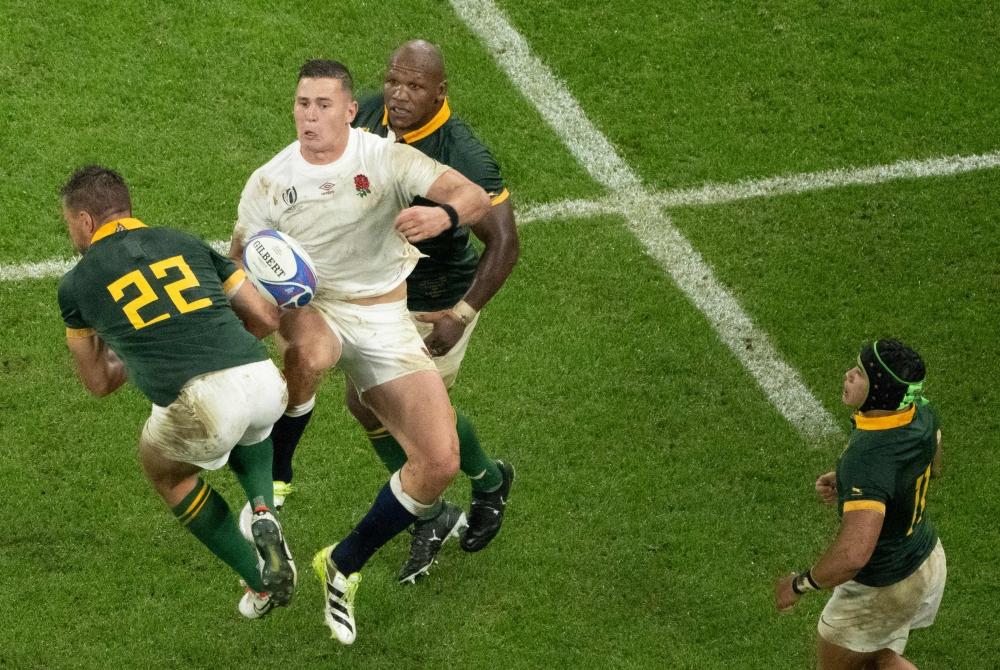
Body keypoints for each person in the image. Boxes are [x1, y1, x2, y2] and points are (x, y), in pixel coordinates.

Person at [229, 59, 491, 644]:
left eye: (323, 105)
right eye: (302, 104)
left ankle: (342, 565)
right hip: (314, 305)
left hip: (385, 318)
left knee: (439, 462)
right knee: (315, 352)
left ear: (351, 111)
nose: (310, 116)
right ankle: (280, 472)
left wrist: (443, 213)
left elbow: (471, 196)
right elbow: (242, 258)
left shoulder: (384, 158)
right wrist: (255, 307)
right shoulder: (269, 180)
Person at [57, 165, 296, 619]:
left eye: (70, 224)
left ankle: (258, 582)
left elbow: (99, 382)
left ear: (86, 221)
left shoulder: (76, 286)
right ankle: (264, 510)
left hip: (202, 406)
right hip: (263, 378)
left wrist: (138, 347)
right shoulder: (186, 241)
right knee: (251, 422)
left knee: (166, 472)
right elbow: (265, 318)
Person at [774, 340, 946, 670]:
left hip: (883, 587)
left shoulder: (867, 460)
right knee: (878, 659)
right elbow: (932, 461)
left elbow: (853, 556)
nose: (848, 375)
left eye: (860, 374)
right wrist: (861, 487)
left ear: (880, 391)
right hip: (926, 560)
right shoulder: (920, 410)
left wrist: (799, 584)